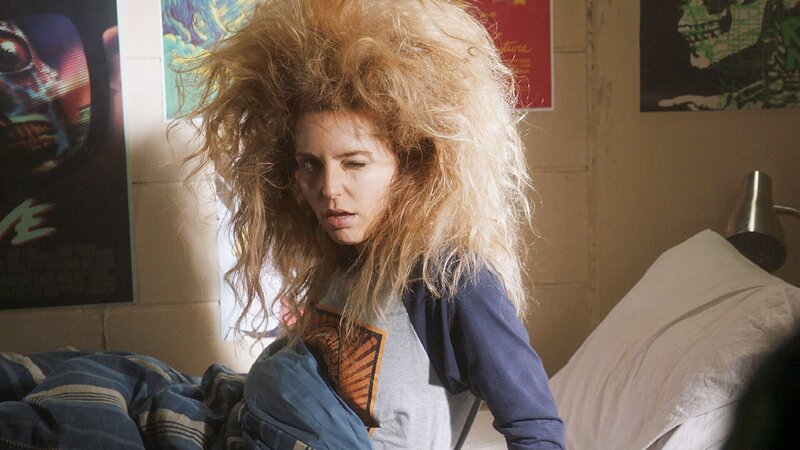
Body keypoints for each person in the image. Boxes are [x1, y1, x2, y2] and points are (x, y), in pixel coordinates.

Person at [187, 0, 565, 448]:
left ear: (409, 165)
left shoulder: (451, 281)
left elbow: (536, 428)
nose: (329, 189)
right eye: (310, 165)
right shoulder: (340, 260)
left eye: (355, 163)